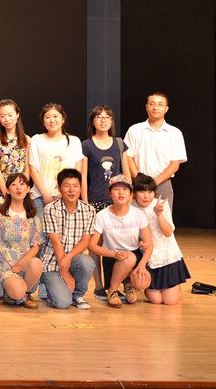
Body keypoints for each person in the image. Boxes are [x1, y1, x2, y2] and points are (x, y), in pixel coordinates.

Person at [80, 105, 130, 299]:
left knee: (119, 243)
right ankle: (99, 286)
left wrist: (128, 199)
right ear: (93, 121)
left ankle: (118, 284)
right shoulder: (86, 145)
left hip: (117, 201)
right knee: (95, 246)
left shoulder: (119, 143)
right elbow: (83, 176)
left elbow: (126, 173)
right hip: (95, 201)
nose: (103, 120)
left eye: (107, 116)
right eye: (98, 117)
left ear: (111, 121)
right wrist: (85, 203)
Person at [89, 174, 153, 308]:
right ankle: (113, 290)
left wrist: (142, 265)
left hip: (134, 257)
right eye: (116, 189)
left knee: (142, 281)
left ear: (131, 194)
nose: (121, 192)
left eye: (125, 189)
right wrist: (113, 254)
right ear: (109, 193)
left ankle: (129, 284)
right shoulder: (102, 216)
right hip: (112, 257)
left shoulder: (138, 214)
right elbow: (92, 246)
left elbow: (150, 245)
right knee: (128, 258)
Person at [38, 168, 96, 310]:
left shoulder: (89, 210)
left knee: (87, 262)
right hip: (52, 264)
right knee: (63, 303)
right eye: (66, 186)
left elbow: (85, 241)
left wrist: (68, 259)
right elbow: (55, 242)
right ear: (59, 188)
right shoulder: (51, 209)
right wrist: (64, 271)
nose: (71, 190)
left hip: (73, 260)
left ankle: (77, 295)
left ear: (80, 188)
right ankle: (50, 289)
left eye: (75, 186)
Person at [123, 92, 187, 212]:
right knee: (135, 219)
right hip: (138, 183)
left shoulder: (175, 133)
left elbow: (175, 164)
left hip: (163, 184)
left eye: (160, 104)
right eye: (152, 104)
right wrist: (140, 180)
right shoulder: (134, 130)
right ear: (146, 107)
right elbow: (127, 157)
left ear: (166, 108)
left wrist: (155, 181)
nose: (155, 107)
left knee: (163, 220)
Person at [133, 174, 190, 306]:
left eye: (150, 192)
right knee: (156, 300)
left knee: (170, 301)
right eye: (142, 191)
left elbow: (168, 232)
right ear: (134, 193)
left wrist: (158, 215)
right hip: (148, 257)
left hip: (167, 255)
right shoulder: (132, 207)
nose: (146, 196)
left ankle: (173, 286)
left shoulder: (160, 204)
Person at [0, 172, 43, 308]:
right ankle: (16, 294)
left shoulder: (33, 216)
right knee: (18, 291)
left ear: (28, 189)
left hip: (23, 262)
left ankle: (21, 294)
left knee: (36, 264)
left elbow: (35, 246)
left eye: (22, 184)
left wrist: (20, 263)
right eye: (13, 185)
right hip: (4, 264)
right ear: (7, 190)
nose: (18, 188)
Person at [28, 102, 85, 215]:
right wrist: (45, 195)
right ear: (43, 122)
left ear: (63, 119)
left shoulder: (74, 141)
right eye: (47, 117)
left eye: (55, 116)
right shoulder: (36, 140)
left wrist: (63, 193)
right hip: (40, 197)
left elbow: (77, 171)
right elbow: (33, 169)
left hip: (68, 196)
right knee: (40, 227)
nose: (52, 120)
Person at [0, 99, 29, 213]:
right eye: (2, 116)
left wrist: (23, 190)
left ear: (17, 114)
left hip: (20, 190)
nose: (7, 119)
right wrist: (7, 193)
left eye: (10, 115)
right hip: (0, 189)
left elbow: (27, 169)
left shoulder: (27, 139)